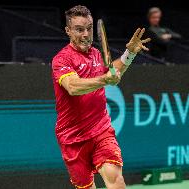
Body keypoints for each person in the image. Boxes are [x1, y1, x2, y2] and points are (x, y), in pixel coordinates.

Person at [52, 5, 150, 189]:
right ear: (68, 31)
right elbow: (73, 87)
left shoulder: (96, 54)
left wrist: (130, 53)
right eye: (79, 29)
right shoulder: (61, 59)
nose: (86, 34)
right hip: (72, 139)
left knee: (116, 179)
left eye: (89, 28)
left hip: (101, 131)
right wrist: (105, 79)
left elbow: (112, 71)